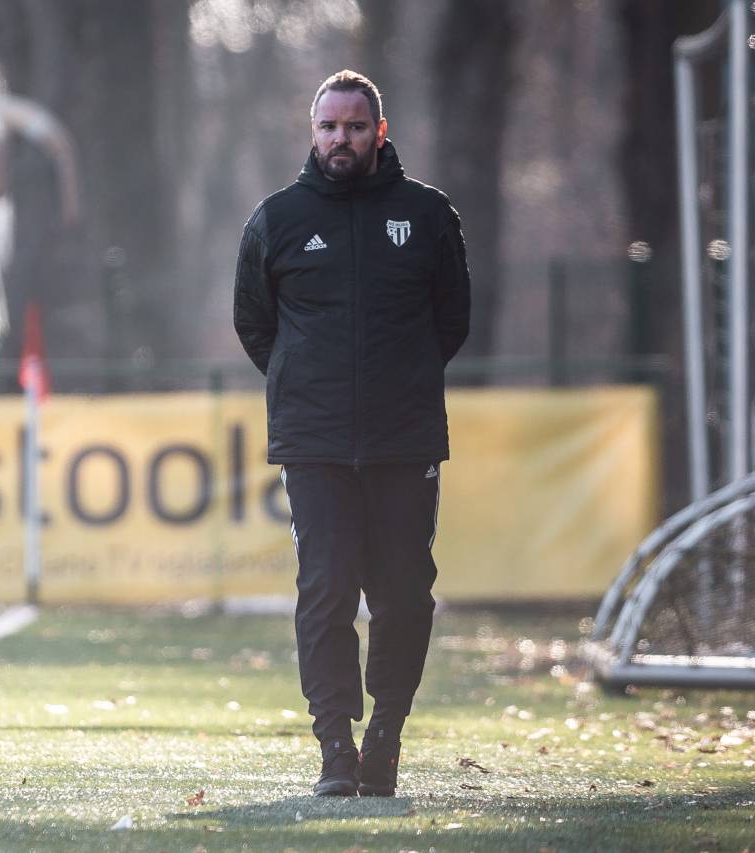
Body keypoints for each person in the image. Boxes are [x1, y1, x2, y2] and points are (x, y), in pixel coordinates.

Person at [233, 70, 470, 798]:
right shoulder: (277, 219)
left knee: (404, 597)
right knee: (326, 592)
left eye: (356, 127)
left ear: (380, 132)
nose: (342, 138)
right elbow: (255, 325)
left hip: (405, 440)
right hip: (315, 443)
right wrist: (308, 383)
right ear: (313, 132)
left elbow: (452, 321)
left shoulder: (427, 214)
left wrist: (401, 382)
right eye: (330, 126)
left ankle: (385, 736)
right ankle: (335, 747)